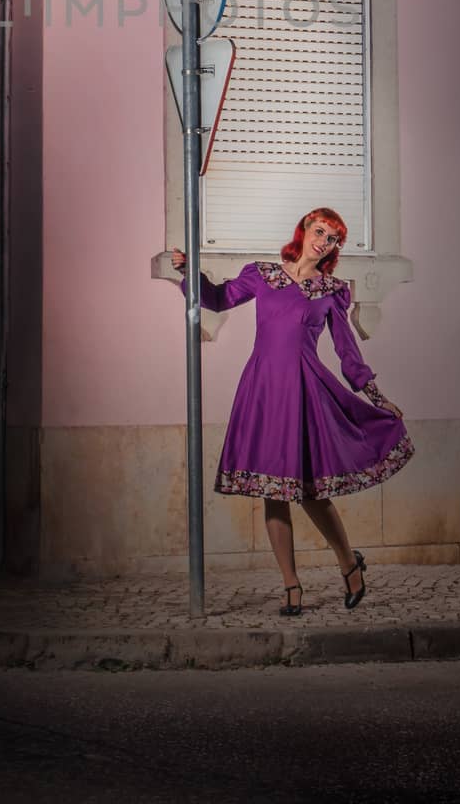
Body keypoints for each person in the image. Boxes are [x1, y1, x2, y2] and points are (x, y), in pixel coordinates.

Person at [170, 207, 414, 615]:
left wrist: (376, 396)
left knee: (312, 493)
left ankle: (348, 564)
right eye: (319, 231)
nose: (323, 242)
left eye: (333, 238)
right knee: (273, 492)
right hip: (263, 389)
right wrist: (189, 272)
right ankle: (291, 586)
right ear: (303, 230)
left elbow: (347, 353)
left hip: (305, 390)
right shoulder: (262, 274)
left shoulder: (332, 291)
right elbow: (216, 299)